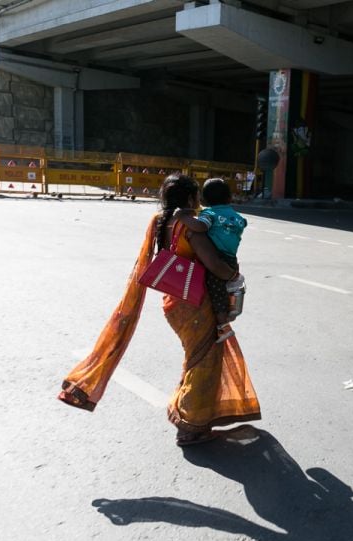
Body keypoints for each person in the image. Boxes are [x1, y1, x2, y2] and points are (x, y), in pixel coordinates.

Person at [58, 173, 261, 446]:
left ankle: (185, 412)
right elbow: (213, 264)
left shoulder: (159, 221)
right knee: (205, 362)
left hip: (173, 301)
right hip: (195, 303)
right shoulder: (190, 227)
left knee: (195, 357)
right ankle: (191, 427)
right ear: (191, 198)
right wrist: (232, 274)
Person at [175, 178, 247, 342]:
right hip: (231, 257)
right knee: (225, 288)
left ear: (205, 200)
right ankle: (232, 306)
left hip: (217, 257)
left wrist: (183, 217)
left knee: (216, 292)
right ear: (229, 198)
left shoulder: (209, 214)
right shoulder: (236, 216)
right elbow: (243, 224)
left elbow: (201, 227)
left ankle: (223, 326)